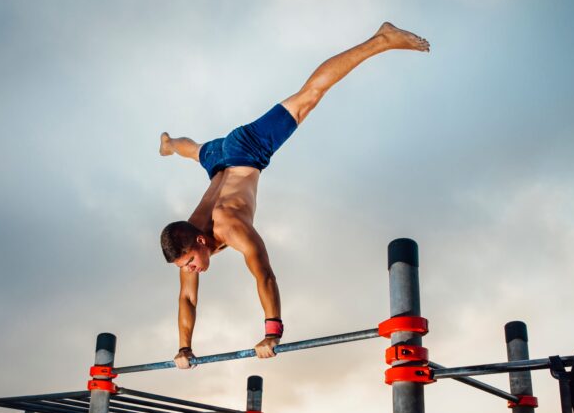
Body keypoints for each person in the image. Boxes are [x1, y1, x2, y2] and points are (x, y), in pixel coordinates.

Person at [159, 22, 429, 369]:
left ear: (198, 239)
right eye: (187, 266)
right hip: (217, 162)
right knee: (196, 150)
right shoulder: (187, 246)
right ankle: (169, 145)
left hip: (243, 152)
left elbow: (265, 274)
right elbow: (187, 299)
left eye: (191, 262)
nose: (193, 269)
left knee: (308, 98)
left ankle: (382, 39)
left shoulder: (229, 225)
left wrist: (272, 331)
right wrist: (184, 348)